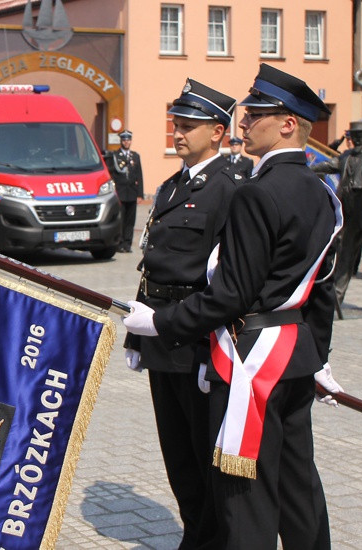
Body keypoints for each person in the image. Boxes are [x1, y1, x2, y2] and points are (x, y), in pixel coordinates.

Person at [124, 64, 343, 549]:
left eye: (256, 114)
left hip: (245, 355)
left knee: (243, 495)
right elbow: (323, 286)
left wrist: (158, 324)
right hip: (291, 352)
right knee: (297, 484)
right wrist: (317, 354)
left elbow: (230, 293)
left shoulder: (253, 192)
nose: (245, 123)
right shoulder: (322, 191)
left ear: (287, 124)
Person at [123, 78, 240, 548]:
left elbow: (228, 279)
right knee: (177, 455)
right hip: (159, 339)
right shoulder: (172, 187)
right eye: (177, 124)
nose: (179, 133)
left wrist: (218, 352)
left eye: (190, 126)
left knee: (203, 452)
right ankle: (194, 531)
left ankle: (209, 538)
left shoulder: (230, 189)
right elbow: (151, 264)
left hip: (198, 342)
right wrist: (137, 338)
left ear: (217, 131)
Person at [312, 120, 362, 315]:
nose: (354, 140)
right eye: (352, 136)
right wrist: (307, 168)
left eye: (358, 136)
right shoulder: (347, 155)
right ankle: (337, 297)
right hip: (352, 213)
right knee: (345, 258)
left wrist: (356, 188)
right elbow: (330, 165)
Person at [108, 130, 143, 252]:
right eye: (124, 140)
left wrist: (140, 194)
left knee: (130, 220)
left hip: (132, 193)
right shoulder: (115, 156)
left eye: (128, 140)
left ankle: (128, 244)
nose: (126, 142)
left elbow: (139, 176)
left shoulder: (135, 156)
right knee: (121, 219)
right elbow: (112, 174)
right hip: (121, 193)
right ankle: (120, 243)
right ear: (121, 141)